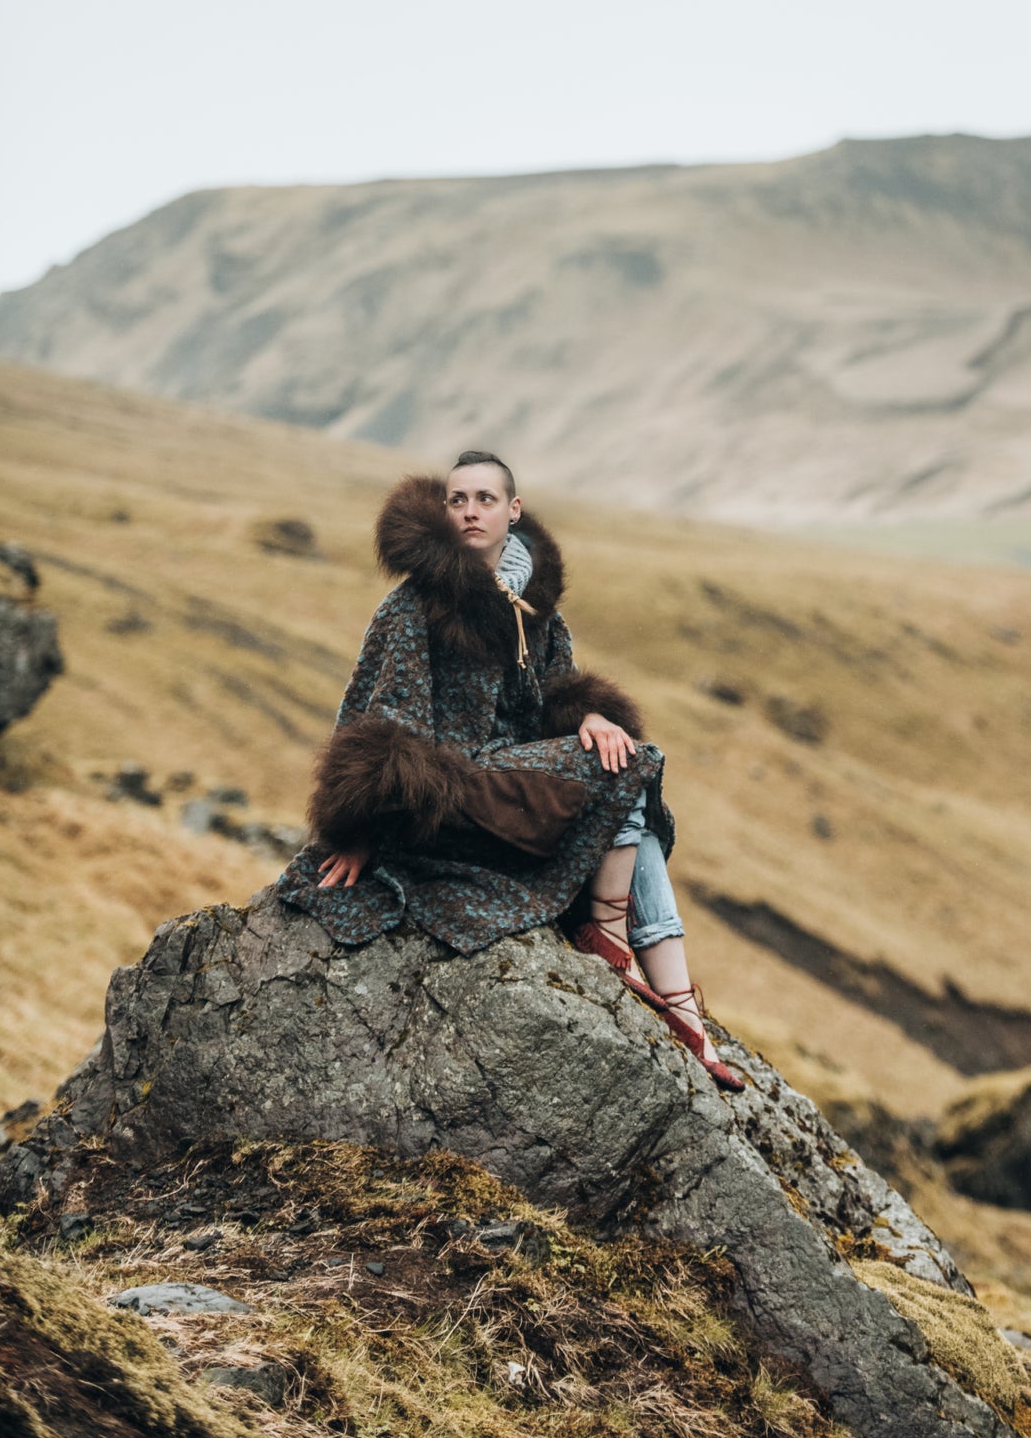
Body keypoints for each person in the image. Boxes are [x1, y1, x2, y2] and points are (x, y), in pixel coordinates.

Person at [276, 450, 743, 1091]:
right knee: (628, 769)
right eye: (458, 499)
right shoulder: (413, 608)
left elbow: (554, 691)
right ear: (444, 511)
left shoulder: (536, 609)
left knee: (625, 760)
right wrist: (354, 830)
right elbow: (377, 721)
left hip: (515, 785)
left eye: (486, 499)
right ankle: (613, 942)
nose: (470, 511)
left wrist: (587, 714)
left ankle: (682, 1012)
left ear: (512, 511)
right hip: (450, 796)